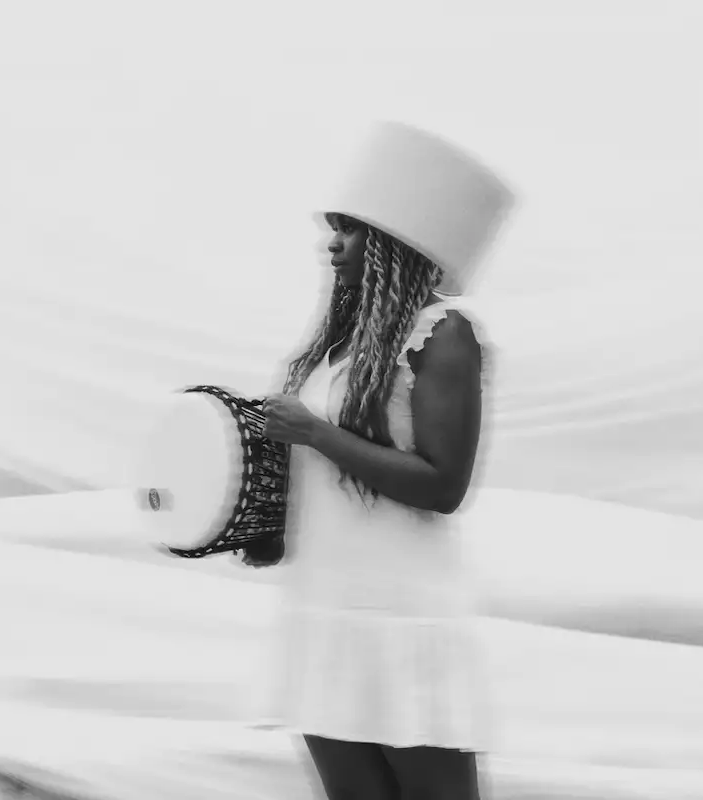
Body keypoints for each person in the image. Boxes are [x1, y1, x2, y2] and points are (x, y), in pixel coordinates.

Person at [251, 121, 514, 800]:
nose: (329, 244)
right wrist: (267, 526)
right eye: (330, 228)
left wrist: (316, 434)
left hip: (401, 616)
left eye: (351, 229)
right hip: (325, 606)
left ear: (397, 243)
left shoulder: (445, 334)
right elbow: (322, 477)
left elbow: (443, 485)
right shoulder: (333, 348)